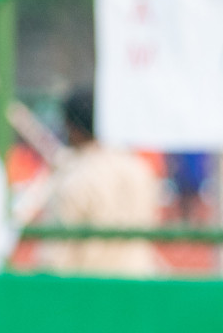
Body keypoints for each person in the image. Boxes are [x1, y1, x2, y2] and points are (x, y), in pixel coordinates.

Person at [39, 87, 161, 276]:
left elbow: (56, 256)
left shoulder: (75, 178)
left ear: (73, 127)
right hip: (138, 284)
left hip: (89, 290)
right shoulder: (140, 169)